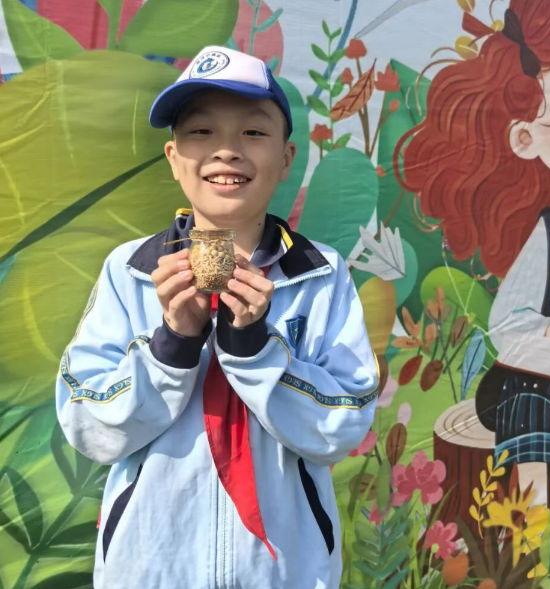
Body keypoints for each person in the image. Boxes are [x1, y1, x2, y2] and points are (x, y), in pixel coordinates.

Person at [56, 45, 379, 589]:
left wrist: (255, 348)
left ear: (286, 158)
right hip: (152, 570)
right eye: (201, 132)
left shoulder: (321, 275)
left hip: (284, 573)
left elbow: (342, 427)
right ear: (173, 157)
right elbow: (90, 428)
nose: (227, 151)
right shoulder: (130, 272)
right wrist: (172, 345)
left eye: (253, 132)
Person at [394, 0, 550, 505]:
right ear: (525, 136)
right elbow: (507, 324)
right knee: (527, 397)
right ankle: (530, 514)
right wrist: (547, 331)